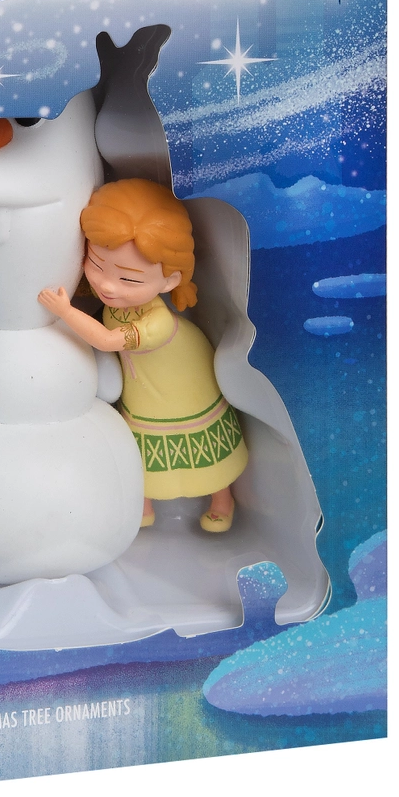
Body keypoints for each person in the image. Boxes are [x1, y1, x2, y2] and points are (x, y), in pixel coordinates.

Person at [37, 178, 246, 533]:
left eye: (130, 280)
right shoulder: (112, 298)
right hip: (143, 383)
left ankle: (222, 499)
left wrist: (65, 311)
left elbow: (107, 340)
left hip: (179, 383)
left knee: (195, 443)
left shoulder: (157, 322)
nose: (107, 285)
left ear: (170, 281)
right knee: (143, 444)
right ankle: (143, 500)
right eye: (96, 264)